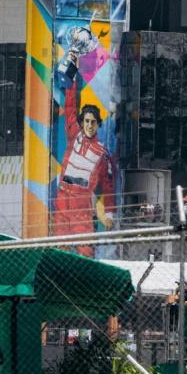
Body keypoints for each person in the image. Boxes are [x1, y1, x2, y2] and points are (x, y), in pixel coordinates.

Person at [52, 27, 116, 257]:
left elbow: (108, 186)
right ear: (82, 122)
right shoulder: (73, 133)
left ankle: (86, 285)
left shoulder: (101, 152)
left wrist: (109, 212)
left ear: (98, 125)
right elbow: (70, 102)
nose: (89, 125)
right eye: (86, 121)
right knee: (60, 247)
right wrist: (73, 70)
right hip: (63, 196)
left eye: (93, 122)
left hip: (81, 202)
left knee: (85, 249)